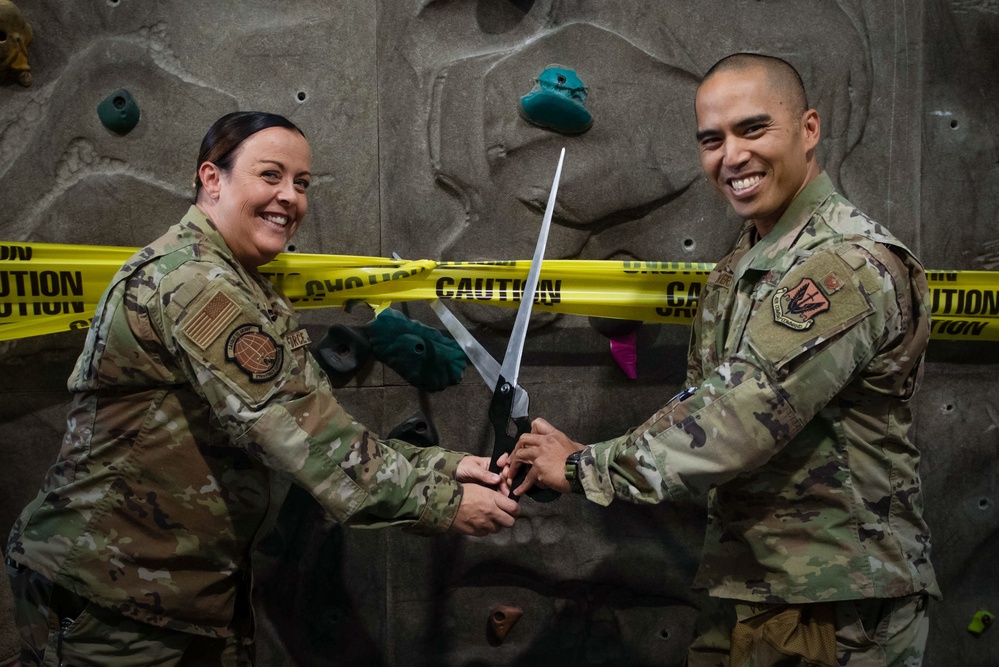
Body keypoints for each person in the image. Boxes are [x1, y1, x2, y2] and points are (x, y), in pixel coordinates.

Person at [6, 111, 519, 666]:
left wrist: (447, 467)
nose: (289, 197)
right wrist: (443, 503)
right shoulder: (195, 284)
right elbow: (305, 440)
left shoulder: (244, 284)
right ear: (212, 179)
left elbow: (316, 421)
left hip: (177, 593)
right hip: (111, 593)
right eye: (270, 175)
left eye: (300, 184)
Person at [503, 53, 939, 667]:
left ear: (809, 129)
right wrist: (581, 455)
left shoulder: (843, 266)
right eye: (713, 139)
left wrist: (584, 467)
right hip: (756, 587)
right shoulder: (746, 264)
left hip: (834, 609)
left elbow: (735, 423)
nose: (731, 157)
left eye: (753, 129)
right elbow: (704, 402)